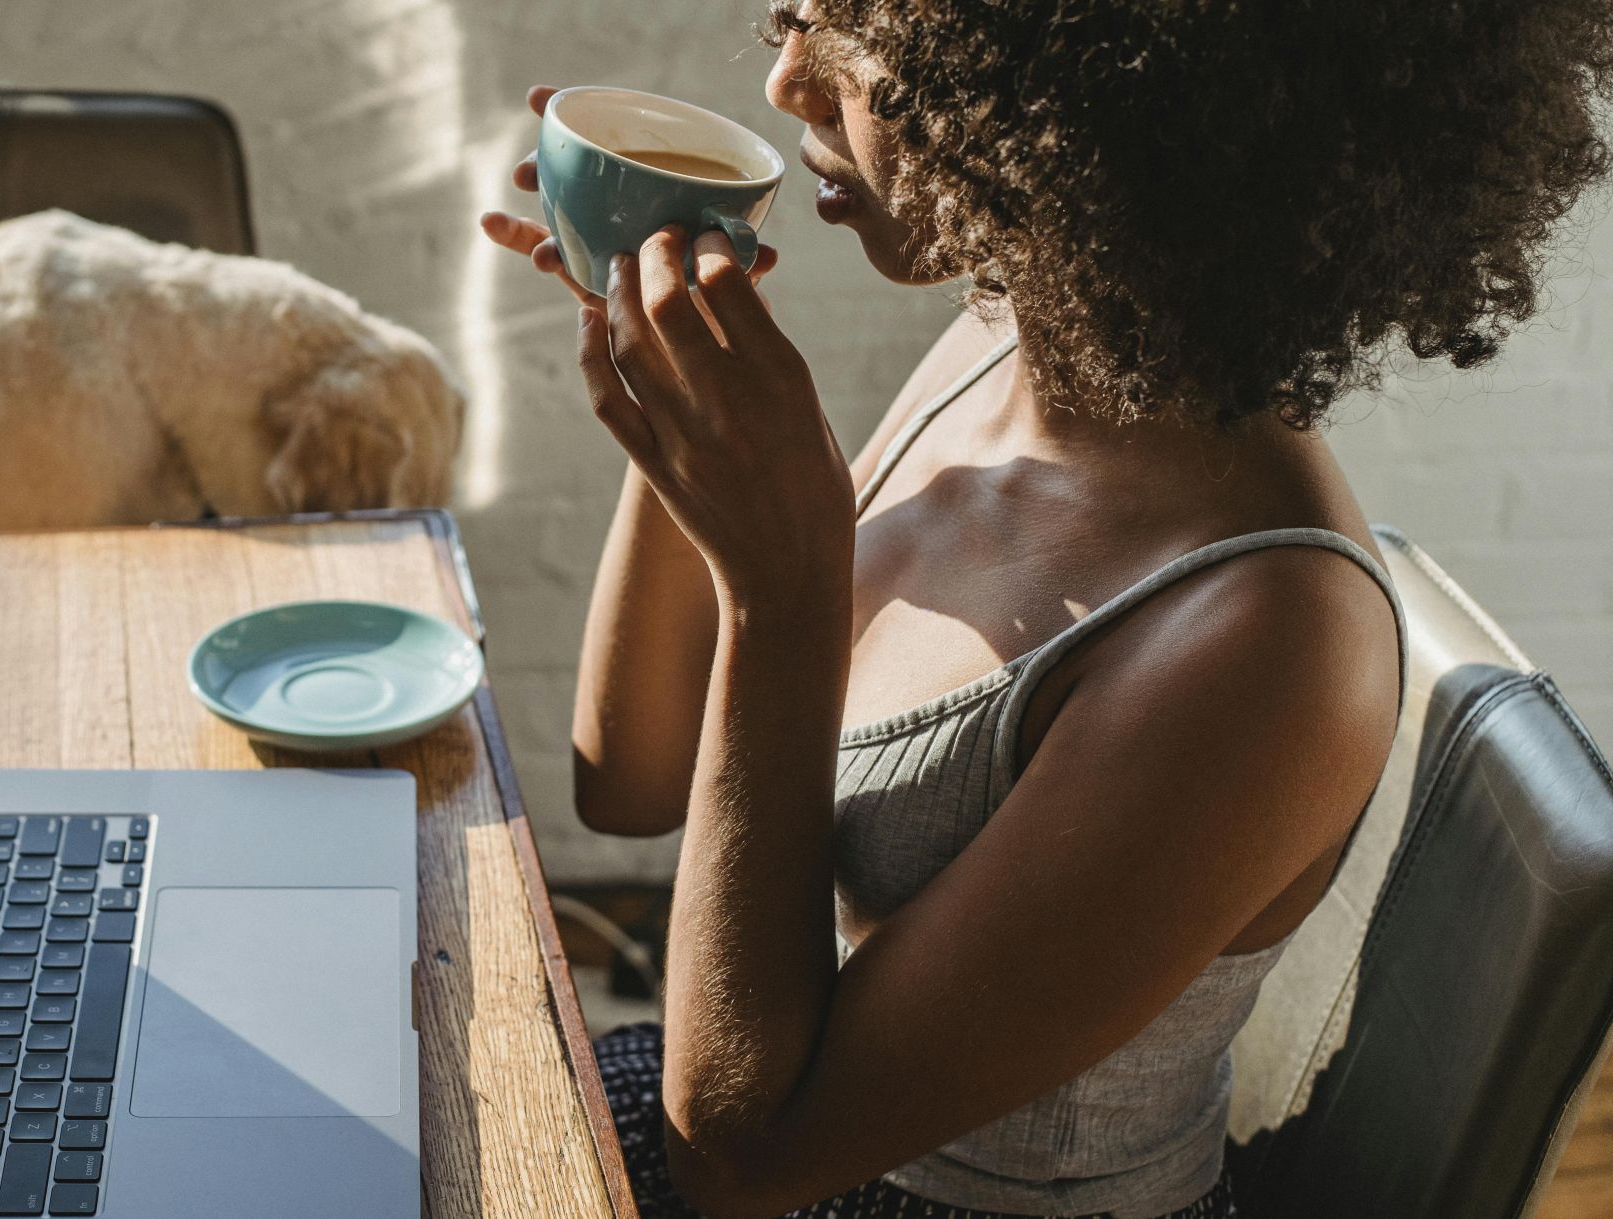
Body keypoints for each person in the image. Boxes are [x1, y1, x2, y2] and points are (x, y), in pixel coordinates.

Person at [479, 2, 1613, 1215]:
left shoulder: (1267, 641)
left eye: (860, 44)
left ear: (1090, 97)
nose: (792, 87)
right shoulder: (1002, 342)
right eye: (795, 20)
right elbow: (634, 781)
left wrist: (780, 590)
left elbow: (744, 1156)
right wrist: (675, 376)